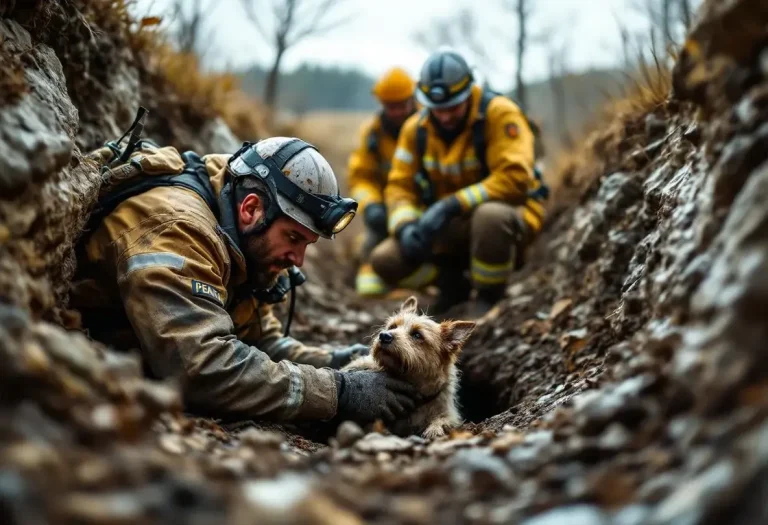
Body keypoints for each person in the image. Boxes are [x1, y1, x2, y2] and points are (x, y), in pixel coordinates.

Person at [70, 131, 421, 425]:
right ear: (252, 208)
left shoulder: (239, 232)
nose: (297, 260)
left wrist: (345, 361)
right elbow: (200, 367)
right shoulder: (178, 229)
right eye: (294, 238)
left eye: (307, 244)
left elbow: (258, 340)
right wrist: (339, 392)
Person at [370, 49, 546, 317]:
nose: (445, 117)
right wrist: (405, 226)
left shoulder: (499, 114)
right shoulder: (414, 129)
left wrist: (452, 204)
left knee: (490, 217)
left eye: (453, 107)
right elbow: (399, 186)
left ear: (469, 92)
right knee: (385, 260)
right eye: (437, 109)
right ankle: (451, 287)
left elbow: (516, 178)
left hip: (506, 220)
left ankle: (489, 297)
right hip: (450, 225)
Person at [346, 67, 423, 297]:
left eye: (401, 104)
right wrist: (371, 206)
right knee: (368, 283)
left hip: (420, 211)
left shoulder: (428, 128)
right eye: (390, 106)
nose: (396, 111)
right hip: (384, 213)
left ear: (412, 99)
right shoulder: (372, 134)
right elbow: (360, 177)